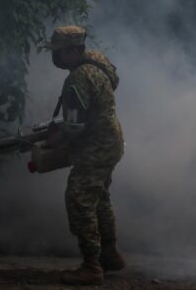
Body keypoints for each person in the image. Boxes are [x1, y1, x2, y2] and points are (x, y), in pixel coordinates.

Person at [46, 25, 126, 286]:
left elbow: (73, 127)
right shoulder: (98, 61)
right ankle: (110, 254)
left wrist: (54, 139)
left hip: (95, 146)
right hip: (111, 140)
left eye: (58, 52)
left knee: (79, 198)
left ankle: (91, 266)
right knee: (99, 196)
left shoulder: (78, 78)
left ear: (72, 51)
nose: (56, 58)